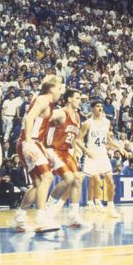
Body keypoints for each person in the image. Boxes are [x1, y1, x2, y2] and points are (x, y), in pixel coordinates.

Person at [10, 75, 62, 233]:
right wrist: (29, 142)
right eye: (59, 88)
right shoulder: (44, 99)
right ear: (52, 89)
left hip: (34, 141)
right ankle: (41, 218)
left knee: (38, 183)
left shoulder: (47, 103)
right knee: (47, 178)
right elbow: (29, 118)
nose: (61, 91)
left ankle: (19, 218)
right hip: (30, 141)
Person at [43, 88, 90, 227]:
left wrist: (81, 150)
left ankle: (73, 216)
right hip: (53, 149)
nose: (80, 100)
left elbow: (73, 139)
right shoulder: (60, 112)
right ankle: (48, 210)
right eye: (77, 97)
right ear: (69, 99)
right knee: (68, 178)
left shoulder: (77, 116)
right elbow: (43, 119)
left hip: (66, 151)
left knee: (77, 180)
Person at [78, 98, 129, 218]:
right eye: (97, 106)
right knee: (94, 180)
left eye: (101, 106)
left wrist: (120, 148)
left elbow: (108, 140)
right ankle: (91, 202)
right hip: (91, 156)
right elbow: (78, 139)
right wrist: (85, 151)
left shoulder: (106, 122)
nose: (100, 108)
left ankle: (110, 207)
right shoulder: (87, 123)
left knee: (110, 181)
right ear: (92, 109)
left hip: (103, 155)